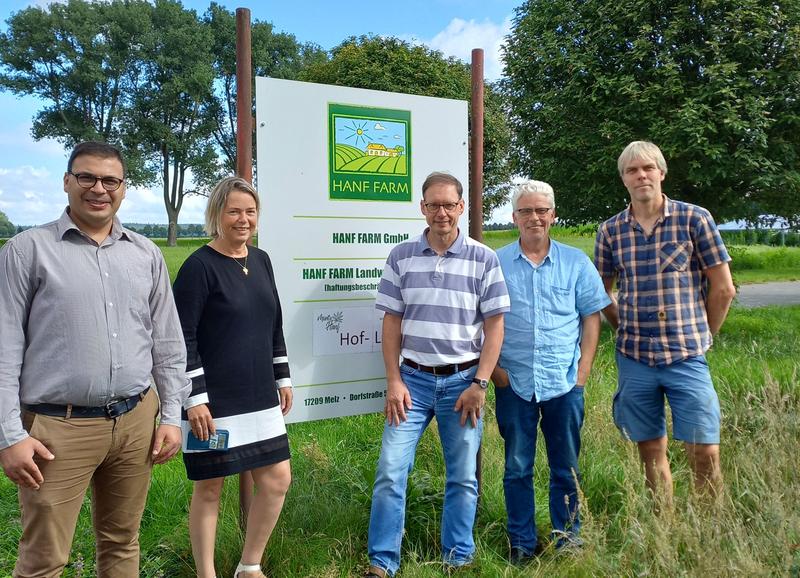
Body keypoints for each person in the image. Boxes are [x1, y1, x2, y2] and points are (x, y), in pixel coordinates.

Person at [0, 141, 191, 577]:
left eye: (110, 180)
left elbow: (167, 342)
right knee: (44, 559)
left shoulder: (145, 254)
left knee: (122, 543)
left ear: (123, 189)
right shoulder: (27, 250)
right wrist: (9, 435)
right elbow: (3, 347)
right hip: (56, 430)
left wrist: (170, 416)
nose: (98, 188)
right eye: (87, 177)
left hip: (135, 421)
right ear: (67, 182)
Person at [365, 172, 510, 577]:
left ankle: (458, 557)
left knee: (463, 476)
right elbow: (391, 321)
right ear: (422, 208)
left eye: (449, 204)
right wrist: (393, 380)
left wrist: (480, 383)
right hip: (411, 381)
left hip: (463, 383)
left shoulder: (484, 258)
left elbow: (495, 326)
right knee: (390, 470)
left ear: (461, 207)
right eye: (433, 204)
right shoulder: (401, 256)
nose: (441, 212)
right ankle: (382, 562)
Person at [595, 141, 736, 503]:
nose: (640, 175)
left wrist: (703, 334)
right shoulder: (610, 231)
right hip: (635, 358)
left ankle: (710, 528)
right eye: (631, 170)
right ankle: (665, 528)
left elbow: (723, 289)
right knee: (650, 452)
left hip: (687, 356)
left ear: (661, 172)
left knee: (704, 450)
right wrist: (621, 324)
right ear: (623, 180)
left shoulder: (694, 219)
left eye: (647, 168)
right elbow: (601, 291)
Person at [172, 176, 293, 578]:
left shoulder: (260, 260)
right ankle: (206, 573)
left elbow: (274, 323)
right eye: (234, 211)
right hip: (213, 404)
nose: (243, 220)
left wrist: (283, 378)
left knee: (277, 479)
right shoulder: (198, 267)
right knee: (210, 487)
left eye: (250, 212)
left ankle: (249, 565)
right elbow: (182, 338)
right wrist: (195, 399)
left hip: (260, 396)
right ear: (217, 215)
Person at [492, 180, 610, 562]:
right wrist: (496, 372)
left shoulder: (576, 262)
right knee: (516, 468)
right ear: (514, 218)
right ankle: (522, 544)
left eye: (542, 210)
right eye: (526, 211)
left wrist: (583, 372)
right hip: (515, 383)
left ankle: (567, 540)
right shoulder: (496, 263)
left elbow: (591, 317)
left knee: (565, 467)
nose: (534, 218)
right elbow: (481, 321)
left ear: (553, 215)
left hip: (564, 383)